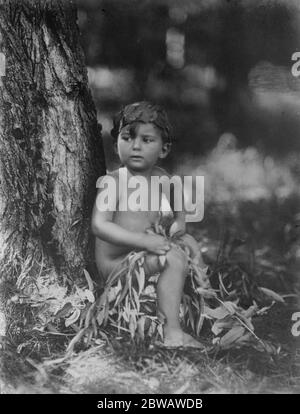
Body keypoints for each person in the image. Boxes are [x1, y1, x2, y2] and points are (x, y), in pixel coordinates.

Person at [91, 101, 205, 348]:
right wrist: (145, 241)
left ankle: (203, 299)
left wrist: (180, 222)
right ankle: (172, 333)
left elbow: (178, 202)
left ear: (163, 149)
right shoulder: (114, 182)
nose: (135, 146)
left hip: (142, 253)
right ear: (116, 144)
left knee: (189, 244)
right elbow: (99, 225)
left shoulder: (162, 178)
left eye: (146, 140)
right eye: (127, 137)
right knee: (173, 258)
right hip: (117, 265)